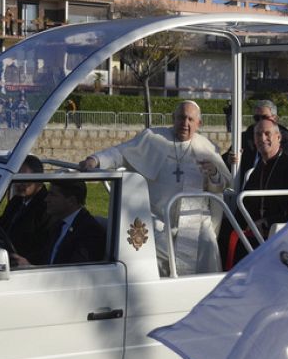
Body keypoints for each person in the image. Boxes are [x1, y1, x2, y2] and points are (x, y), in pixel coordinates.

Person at [81, 100, 232, 276]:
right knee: (143, 244)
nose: (185, 123)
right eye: (181, 118)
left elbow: (221, 185)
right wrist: (95, 160)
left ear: (199, 123)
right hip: (158, 217)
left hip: (195, 220)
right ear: (173, 118)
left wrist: (213, 173)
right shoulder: (153, 138)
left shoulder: (207, 148)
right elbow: (120, 152)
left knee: (208, 245)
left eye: (190, 119)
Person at [223, 118, 288, 269]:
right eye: (258, 135)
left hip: (283, 236)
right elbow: (245, 206)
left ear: (278, 137)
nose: (262, 138)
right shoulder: (260, 167)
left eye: (267, 134)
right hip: (258, 235)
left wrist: (267, 223)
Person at [14, 179, 106, 267]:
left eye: (52, 195)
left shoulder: (90, 232)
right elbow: (45, 254)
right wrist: (23, 260)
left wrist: (30, 267)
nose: (46, 199)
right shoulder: (60, 223)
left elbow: (75, 272)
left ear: (71, 201)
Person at [0, 155, 53, 260]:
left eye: (24, 178)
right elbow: (1, 225)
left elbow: (42, 247)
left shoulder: (47, 207)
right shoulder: (17, 201)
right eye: (16, 178)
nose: (18, 184)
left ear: (38, 179)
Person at [225, 99, 288, 174]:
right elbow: (225, 163)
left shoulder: (286, 141)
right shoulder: (244, 138)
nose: (261, 121)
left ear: (275, 118)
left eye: (265, 117)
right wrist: (230, 160)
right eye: (257, 118)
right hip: (248, 183)